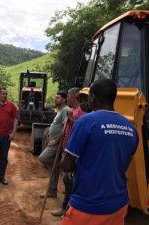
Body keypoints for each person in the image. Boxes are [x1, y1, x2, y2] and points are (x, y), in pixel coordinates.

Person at [61, 79, 139, 225]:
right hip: (118, 206)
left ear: (93, 98)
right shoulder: (132, 129)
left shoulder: (86, 121)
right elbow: (123, 165)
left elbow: (66, 165)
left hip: (87, 206)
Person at [51, 87, 86, 217]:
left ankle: (68, 208)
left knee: (69, 179)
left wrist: (72, 121)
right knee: (67, 179)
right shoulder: (72, 110)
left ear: (74, 97)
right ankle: (67, 207)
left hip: (74, 152)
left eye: (70, 97)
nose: (68, 99)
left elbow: (84, 129)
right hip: (67, 148)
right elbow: (65, 128)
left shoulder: (81, 112)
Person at [39, 91, 70, 198]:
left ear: (64, 100)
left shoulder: (66, 110)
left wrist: (56, 141)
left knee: (43, 158)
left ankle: (59, 164)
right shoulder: (60, 110)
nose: (55, 99)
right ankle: (52, 191)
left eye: (57, 97)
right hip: (55, 141)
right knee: (53, 166)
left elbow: (65, 128)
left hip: (58, 143)